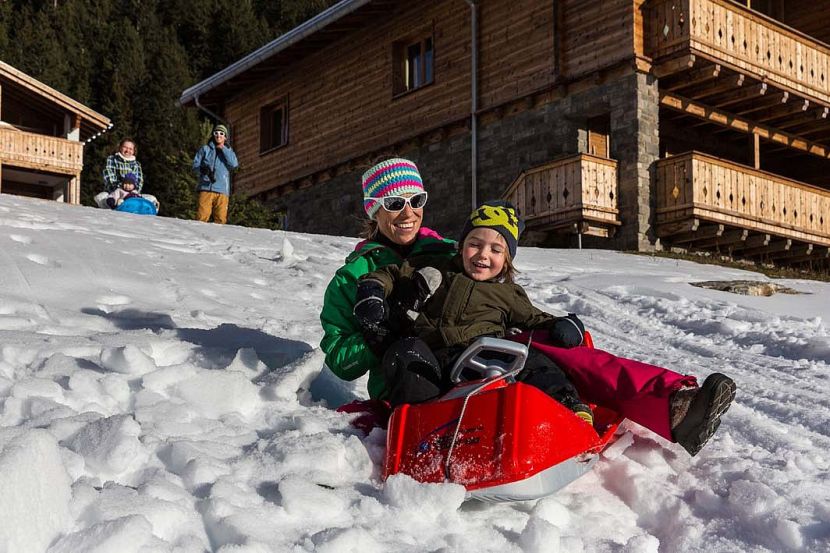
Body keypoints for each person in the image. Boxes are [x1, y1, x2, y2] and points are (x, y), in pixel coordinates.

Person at [352, 200, 594, 424]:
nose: (483, 255)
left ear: (507, 260)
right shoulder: (438, 267)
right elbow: (392, 274)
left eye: (496, 250)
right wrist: (373, 289)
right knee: (404, 351)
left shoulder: (508, 293)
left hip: (487, 360)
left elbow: (536, 320)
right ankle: (420, 421)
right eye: (475, 244)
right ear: (461, 246)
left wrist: (566, 325)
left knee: (534, 359)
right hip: (434, 362)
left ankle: (567, 406)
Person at [320, 158, 456, 402]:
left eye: (417, 200)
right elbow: (340, 360)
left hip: (465, 374)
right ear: (374, 210)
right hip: (403, 392)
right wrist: (381, 334)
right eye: (395, 203)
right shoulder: (353, 276)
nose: (408, 213)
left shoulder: (451, 254)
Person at [192, 124, 239, 224]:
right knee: (202, 217)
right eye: (216, 133)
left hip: (222, 189)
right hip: (205, 187)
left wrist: (224, 149)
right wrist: (202, 169)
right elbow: (195, 165)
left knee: (221, 219)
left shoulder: (229, 151)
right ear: (213, 135)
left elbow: (234, 164)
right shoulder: (205, 149)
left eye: (221, 134)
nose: (218, 135)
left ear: (225, 137)